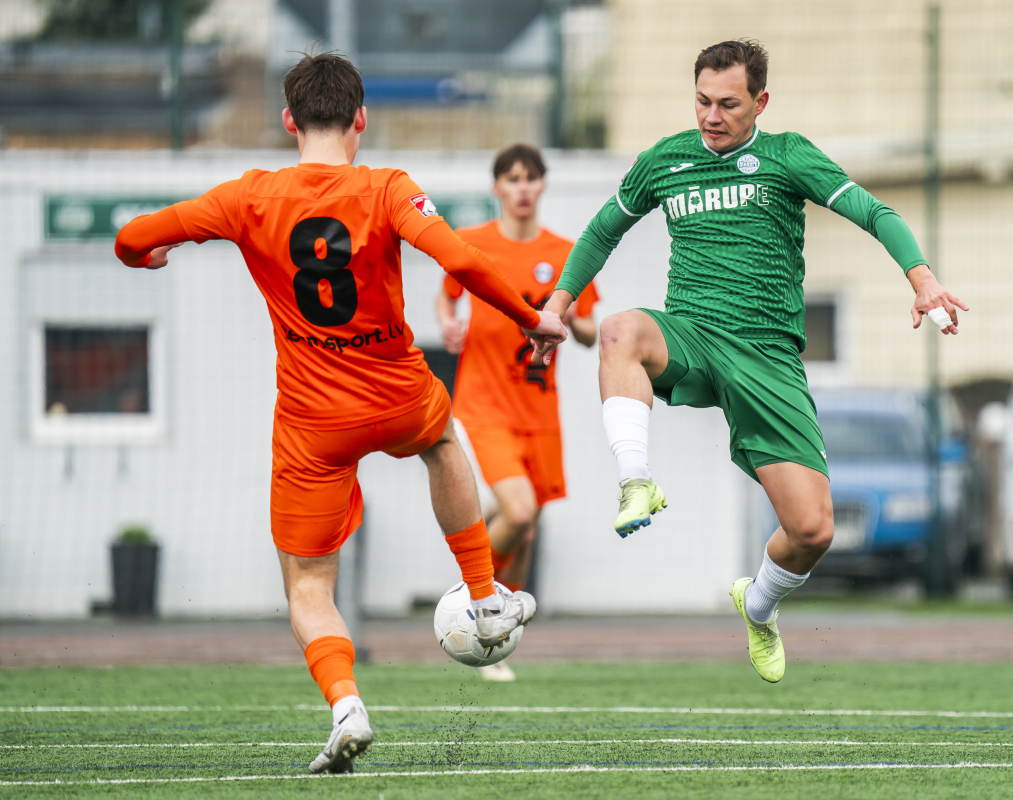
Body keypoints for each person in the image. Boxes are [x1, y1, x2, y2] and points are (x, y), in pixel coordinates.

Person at [113, 53, 567, 773]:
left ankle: (346, 705)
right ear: (361, 119)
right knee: (443, 439)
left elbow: (133, 237)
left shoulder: (247, 196)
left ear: (289, 120)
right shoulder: (387, 188)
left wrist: (146, 259)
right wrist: (529, 315)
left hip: (311, 421)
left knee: (307, 586)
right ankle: (484, 594)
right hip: (395, 393)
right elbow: (462, 262)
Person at [529, 40, 968, 684]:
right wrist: (557, 306)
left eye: (728, 104)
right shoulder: (666, 161)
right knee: (621, 329)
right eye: (703, 101)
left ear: (760, 102)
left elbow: (873, 212)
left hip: (767, 358)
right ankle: (636, 480)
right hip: (694, 336)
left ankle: (758, 606)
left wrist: (922, 280)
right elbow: (601, 231)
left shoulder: (788, 156)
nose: (712, 116)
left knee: (812, 529)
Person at [436, 144, 599, 682]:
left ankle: (496, 644)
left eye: (531, 178)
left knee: (524, 530)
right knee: (521, 512)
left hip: (539, 412)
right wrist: (449, 322)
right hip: (484, 405)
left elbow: (589, 328)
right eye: (512, 178)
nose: (522, 188)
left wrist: (575, 321)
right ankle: (471, 591)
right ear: (498, 188)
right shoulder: (473, 243)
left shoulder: (567, 253)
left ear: (542, 186)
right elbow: (447, 297)